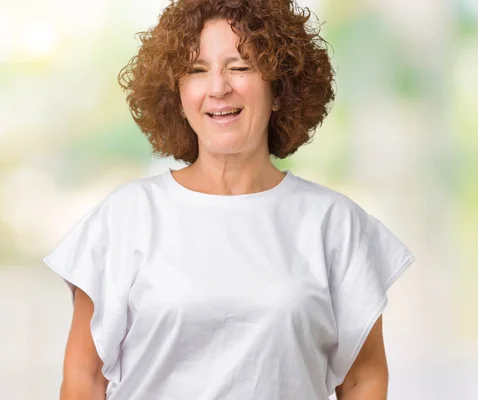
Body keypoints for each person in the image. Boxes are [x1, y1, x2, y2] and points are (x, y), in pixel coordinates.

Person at [42, 0, 415, 399]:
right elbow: (85, 378)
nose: (218, 87)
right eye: (197, 70)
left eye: (240, 67)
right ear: (178, 94)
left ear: (279, 89)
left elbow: (362, 378)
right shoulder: (126, 217)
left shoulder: (334, 224)